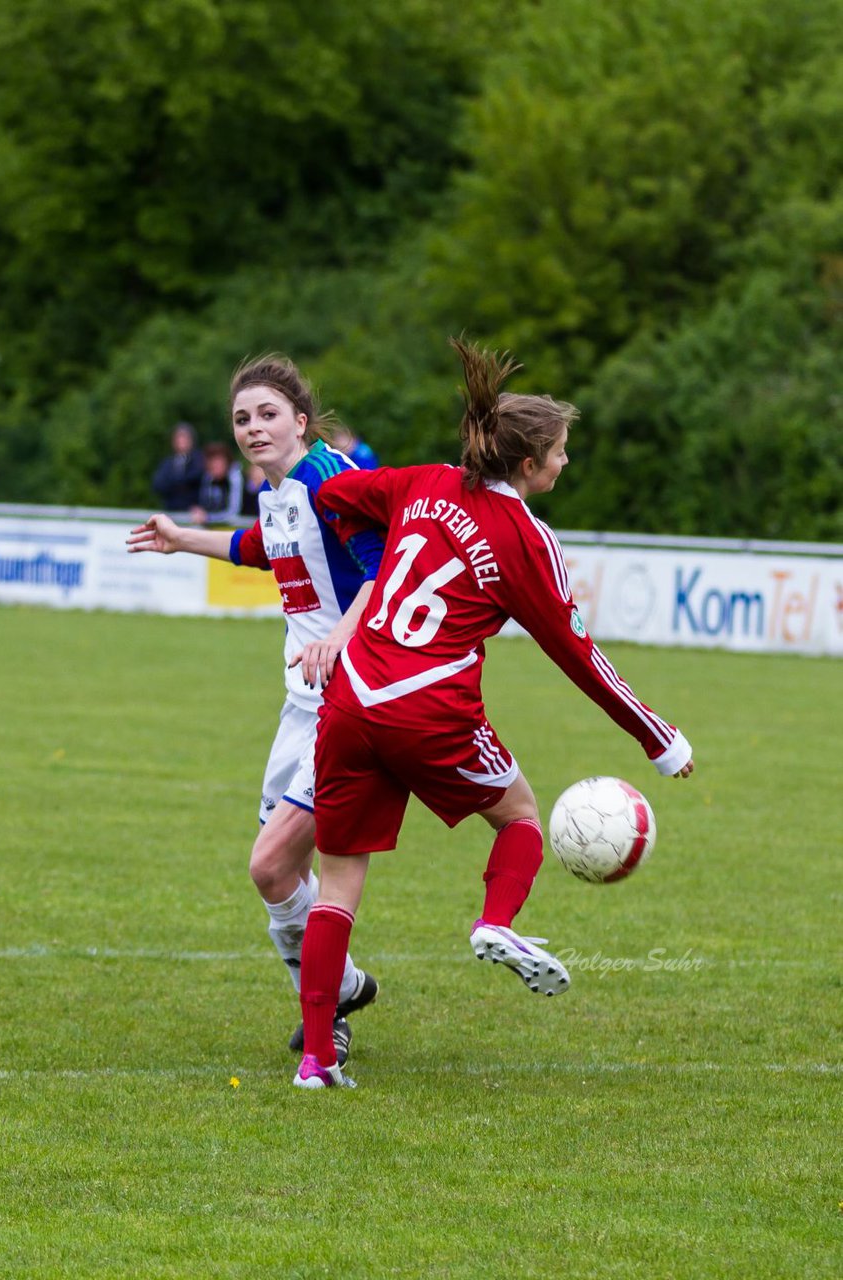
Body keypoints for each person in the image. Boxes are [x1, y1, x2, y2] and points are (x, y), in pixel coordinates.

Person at [292, 337, 695, 1089]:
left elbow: (335, 496)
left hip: (350, 699)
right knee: (520, 818)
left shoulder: (425, 482)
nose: (566, 463)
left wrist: (364, 525)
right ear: (529, 463)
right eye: (561, 453)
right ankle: (495, 923)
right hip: (429, 709)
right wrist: (659, 738)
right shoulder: (525, 540)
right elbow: (579, 655)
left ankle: (317, 1060)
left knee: (339, 880)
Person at [127, 356, 385, 1065]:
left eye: (267, 414)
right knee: (277, 875)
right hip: (300, 705)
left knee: (272, 865)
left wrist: (340, 635)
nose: (252, 428)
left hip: (350, 703)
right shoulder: (274, 492)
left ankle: (327, 1010)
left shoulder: (328, 477)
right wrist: (183, 540)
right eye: (242, 419)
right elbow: (259, 548)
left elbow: (383, 566)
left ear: (301, 419)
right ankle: (344, 986)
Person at [151, 422, 205, 511]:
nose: (182, 441)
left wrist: (176, 482)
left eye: (185, 437)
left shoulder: (199, 460)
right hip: (171, 511)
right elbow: (157, 485)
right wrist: (180, 483)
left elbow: (197, 478)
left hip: (193, 513)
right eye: (179, 438)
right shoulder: (167, 462)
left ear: (192, 440)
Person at [189, 442, 245, 525]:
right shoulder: (208, 477)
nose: (215, 466)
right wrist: (199, 512)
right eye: (212, 463)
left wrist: (208, 518)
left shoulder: (235, 478)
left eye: (219, 462)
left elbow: (233, 513)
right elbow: (205, 504)